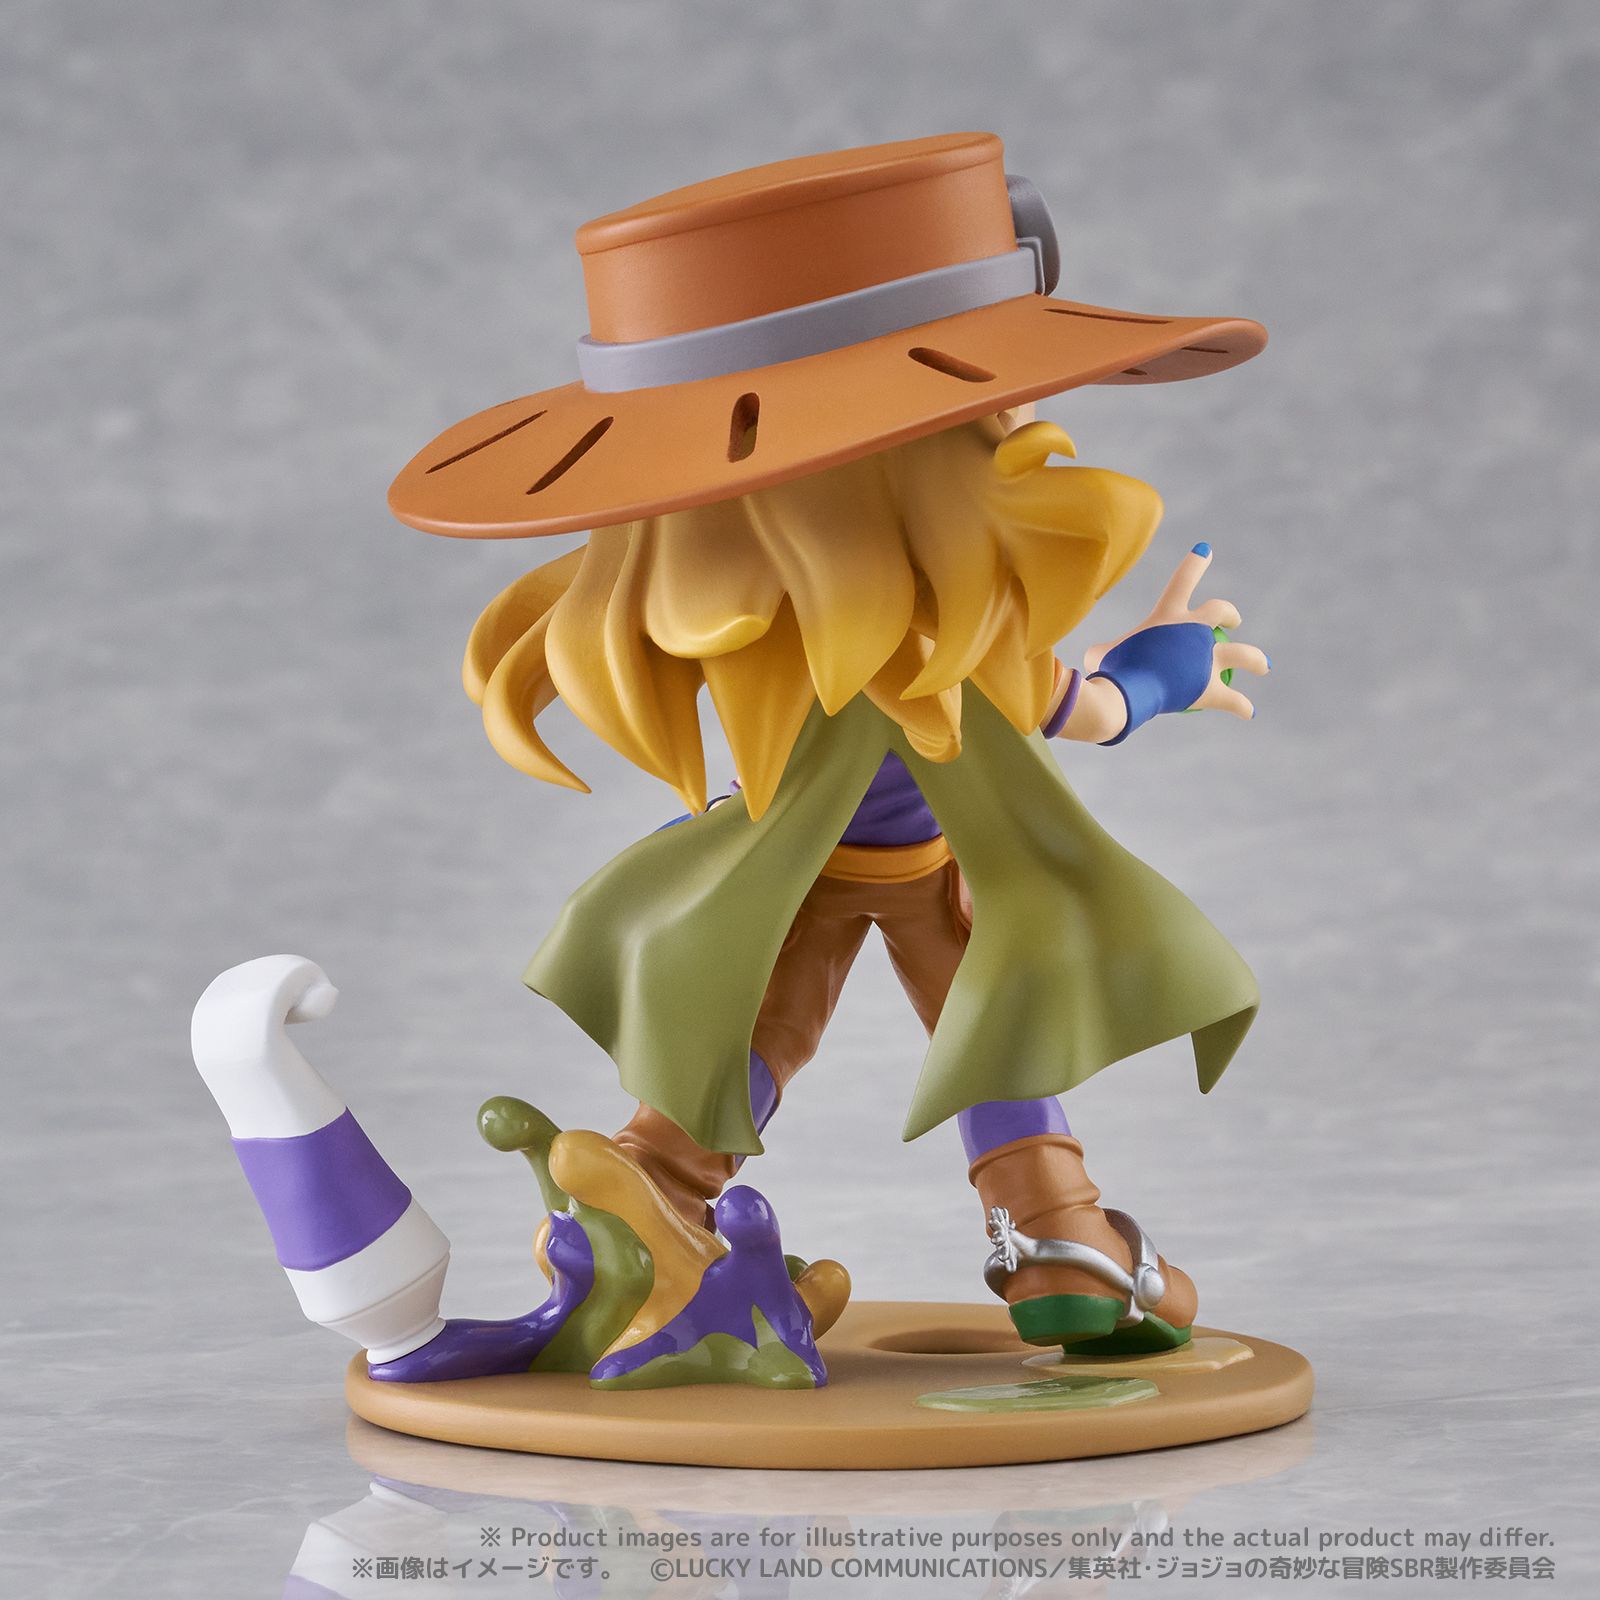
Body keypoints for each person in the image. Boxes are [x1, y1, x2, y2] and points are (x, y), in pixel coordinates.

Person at [389, 133, 1270, 1353]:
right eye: (998, 396)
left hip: (790, 870)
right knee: (989, 1016)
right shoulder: (967, 647)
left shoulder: (761, 626)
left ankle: (654, 1185)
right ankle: (1053, 1233)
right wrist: (1169, 664)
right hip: (940, 872)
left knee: (770, 1021)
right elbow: (1098, 708)